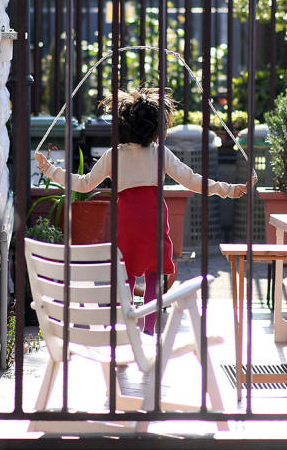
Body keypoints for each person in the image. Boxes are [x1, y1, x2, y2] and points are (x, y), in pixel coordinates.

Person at [35, 87, 251, 335]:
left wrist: (50, 170)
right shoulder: (160, 153)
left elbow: (83, 183)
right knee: (153, 276)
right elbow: (192, 180)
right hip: (154, 220)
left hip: (126, 220)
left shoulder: (113, 155)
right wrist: (229, 189)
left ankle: (118, 329)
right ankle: (148, 332)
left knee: (123, 277)